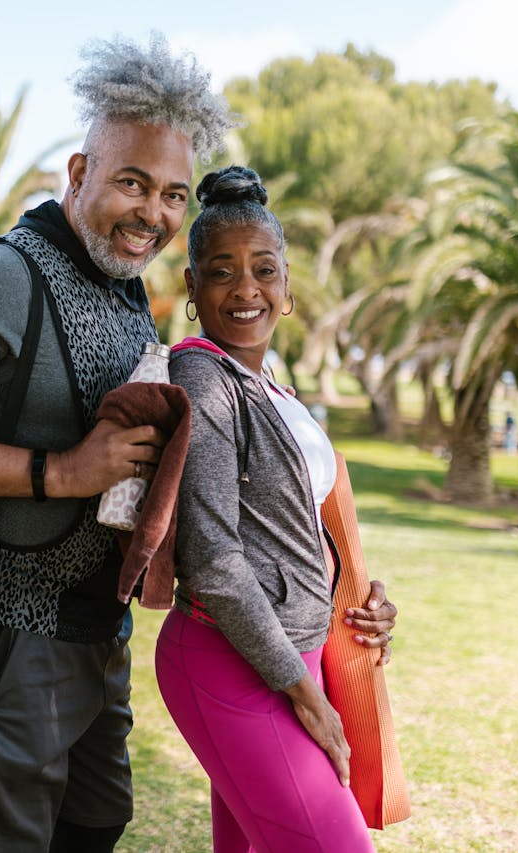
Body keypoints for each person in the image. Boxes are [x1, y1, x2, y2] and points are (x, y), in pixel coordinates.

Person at [0, 34, 235, 852]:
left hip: (98, 639)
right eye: (132, 182)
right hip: (6, 641)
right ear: (78, 173)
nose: (154, 214)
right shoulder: (5, 277)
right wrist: (59, 471)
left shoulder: (126, 291)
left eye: (174, 195)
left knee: (96, 825)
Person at [155, 166, 399, 852]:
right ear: (193, 288)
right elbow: (214, 558)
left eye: (264, 268)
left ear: (287, 289)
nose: (246, 287)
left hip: (296, 655)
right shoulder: (203, 378)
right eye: (222, 270)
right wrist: (303, 694)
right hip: (229, 659)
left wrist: (361, 596)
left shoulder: (276, 393)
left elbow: (307, 525)